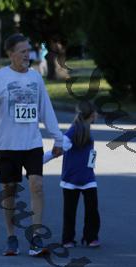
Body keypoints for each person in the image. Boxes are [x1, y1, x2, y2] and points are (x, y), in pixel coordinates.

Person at [0, 33, 63, 256]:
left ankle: (36, 237)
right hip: (7, 145)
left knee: (37, 185)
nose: (27, 55)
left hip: (32, 143)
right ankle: (11, 237)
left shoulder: (36, 78)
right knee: (9, 189)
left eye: (28, 51)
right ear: (11, 54)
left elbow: (46, 109)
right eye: (23, 51)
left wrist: (58, 138)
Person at [57, 101, 100, 248]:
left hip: (88, 177)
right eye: (96, 112)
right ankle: (68, 239)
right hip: (71, 178)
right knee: (72, 210)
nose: (97, 115)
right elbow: (61, 146)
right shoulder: (74, 130)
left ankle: (89, 237)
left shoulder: (86, 129)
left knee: (91, 209)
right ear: (92, 115)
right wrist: (42, 159)